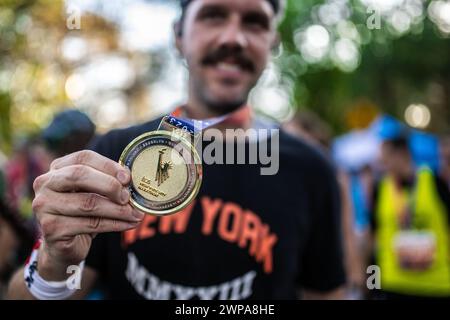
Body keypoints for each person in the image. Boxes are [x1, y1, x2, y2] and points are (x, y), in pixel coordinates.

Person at [7, 0, 345, 300]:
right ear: (178, 35)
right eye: (213, 15)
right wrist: (53, 259)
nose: (233, 38)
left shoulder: (311, 169)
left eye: (254, 22)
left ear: (273, 42)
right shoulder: (117, 154)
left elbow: (327, 293)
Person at [369, 133, 450, 299]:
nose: (383, 165)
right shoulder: (380, 187)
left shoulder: (434, 182)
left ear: (403, 154)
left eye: (387, 158)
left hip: (436, 285)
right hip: (393, 285)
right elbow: (374, 241)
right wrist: (373, 285)